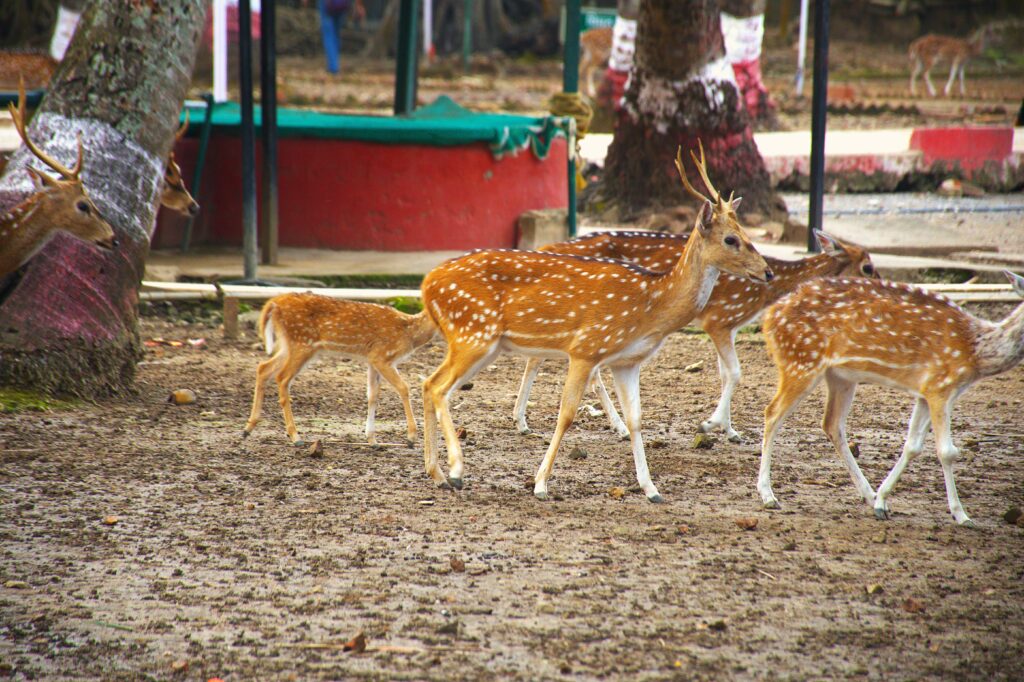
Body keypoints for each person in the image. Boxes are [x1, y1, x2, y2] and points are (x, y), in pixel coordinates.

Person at [304, 0, 366, 75]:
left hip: (326, 3)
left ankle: (333, 67)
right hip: (342, 3)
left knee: (329, 33)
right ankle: (334, 64)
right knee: (336, 32)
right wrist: (359, 4)